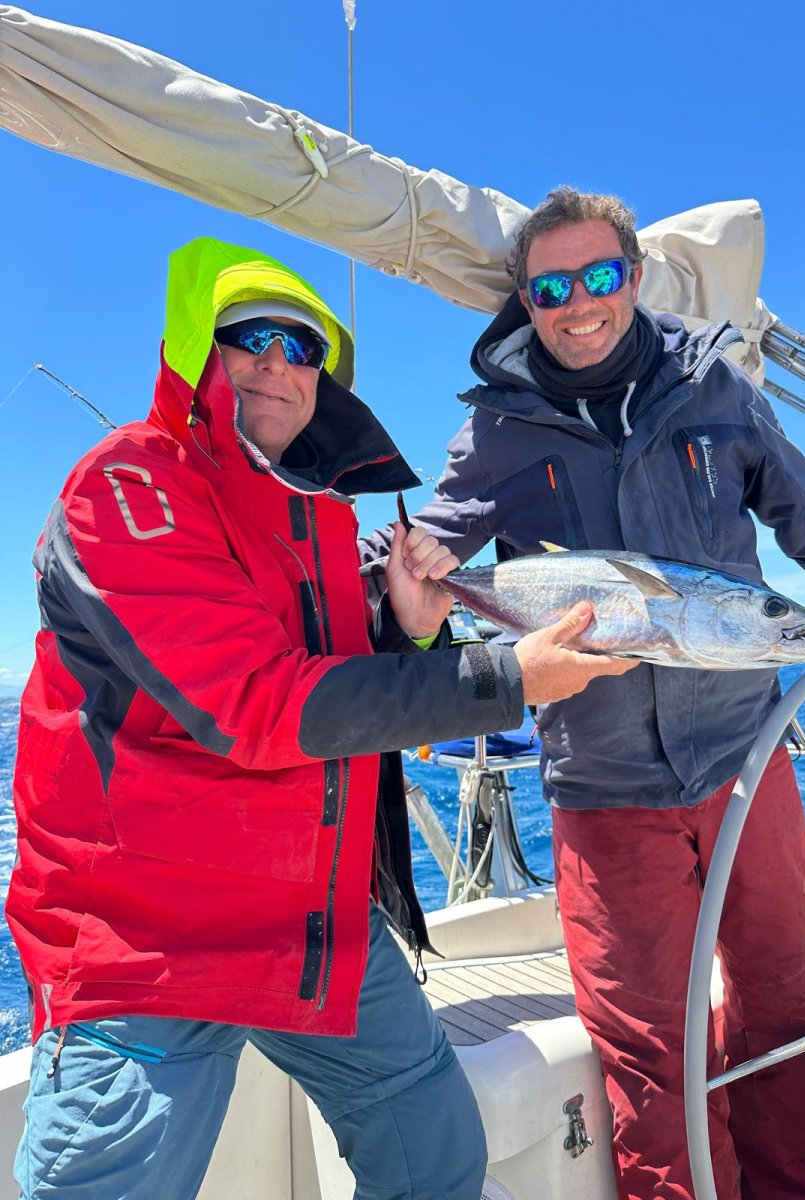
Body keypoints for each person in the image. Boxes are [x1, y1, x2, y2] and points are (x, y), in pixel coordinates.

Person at [4, 235, 636, 1200]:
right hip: (147, 939)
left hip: (305, 915)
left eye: (303, 348)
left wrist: (409, 630)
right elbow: (258, 704)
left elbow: (335, 688)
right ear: (196, 350)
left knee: (437, 1155)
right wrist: (506, 677)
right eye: (250, 337)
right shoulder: (128, 487)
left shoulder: (319, 514)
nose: (279, 363)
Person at [387, 188, 805, 1200]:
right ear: (526, 301)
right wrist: (409, 594)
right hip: (604, 787)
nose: (579, 303)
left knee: (787, 1007)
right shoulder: (496, 429)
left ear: (634, 277)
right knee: (650, 1046)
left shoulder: (715, 388)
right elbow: (430, 556)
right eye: (551, 288)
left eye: (600, 276)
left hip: (745, 764)